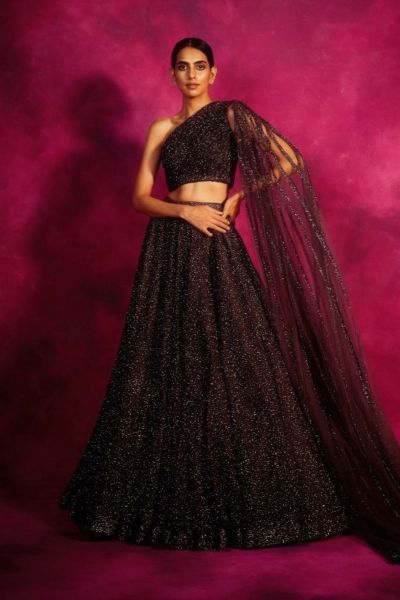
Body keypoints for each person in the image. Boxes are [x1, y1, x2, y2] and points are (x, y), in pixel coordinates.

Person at [60, 37, 400, 563]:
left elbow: (290, 159)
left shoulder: (233, 117)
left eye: (200, 67)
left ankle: (256, 501)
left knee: (239, 358)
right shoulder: (161, 129)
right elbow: (140, 197)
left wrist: (240, 194)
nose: (192, 75)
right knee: (166, 362)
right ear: (172, 75)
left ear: (213, 73)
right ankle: (162, 502)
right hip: (170, 247)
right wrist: (185, 212)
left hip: (217, 241)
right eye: (182, 68)